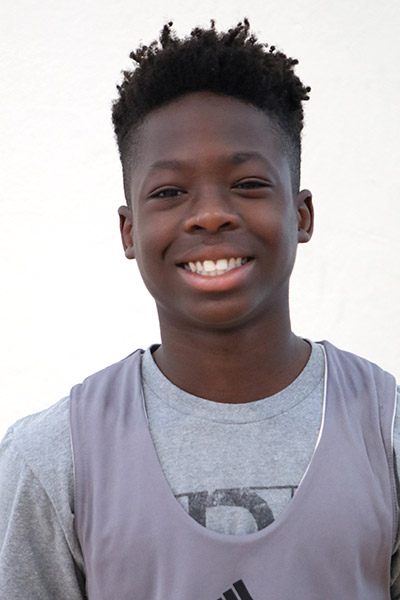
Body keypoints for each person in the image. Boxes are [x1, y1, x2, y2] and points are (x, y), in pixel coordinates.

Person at [0, 19, 399, 599]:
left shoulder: (386, 433)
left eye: (249, 183)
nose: (211, 215)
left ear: (302, 215)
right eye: (169, 192)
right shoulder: (51, 458)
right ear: (129, 231)